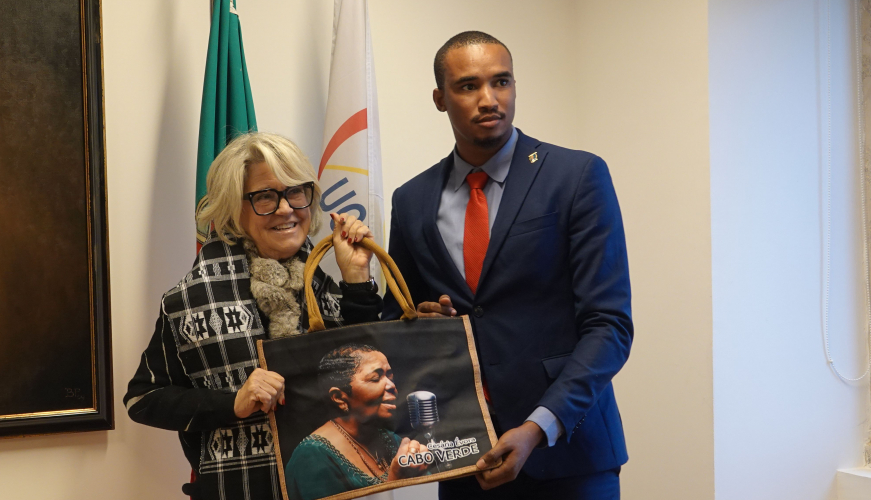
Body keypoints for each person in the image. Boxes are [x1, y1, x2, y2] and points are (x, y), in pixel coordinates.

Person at [381, 31, 632, 499]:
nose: (489, 99)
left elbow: (610, 326)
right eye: (469, 86)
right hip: (464, 459)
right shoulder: (411, 200)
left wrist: (538, 427)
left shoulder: (576, 176)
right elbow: (396, 323)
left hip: (569, 456)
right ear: (440, 98)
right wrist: (418, 321)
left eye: (501, 82)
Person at [125, 132, 381, 500]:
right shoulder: (190, 298)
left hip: (331, 488)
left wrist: (357, 279)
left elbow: (373, 373)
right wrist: (232, 402)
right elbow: (143, 399)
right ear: (234, 208)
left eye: (297, 191)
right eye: (264, 196)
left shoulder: (331, 286)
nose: (285, 208)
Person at [284, 344, 430, 500]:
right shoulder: (310, 458)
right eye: (375, 378)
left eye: (390, 376)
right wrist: (395, 480)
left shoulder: (389, 438)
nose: (392, 386)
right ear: (339, 397)